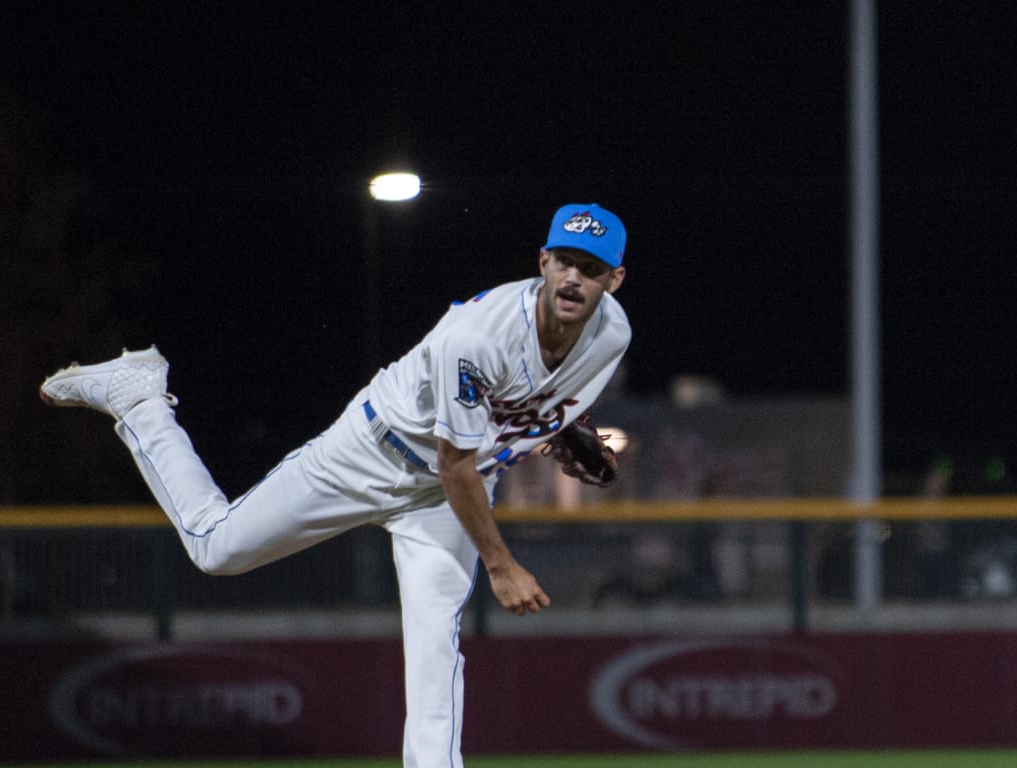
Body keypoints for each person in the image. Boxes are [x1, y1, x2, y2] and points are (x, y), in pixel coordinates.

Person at [39, 203, 630, 767]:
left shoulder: (612, 335)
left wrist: (555, 428)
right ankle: (139, 399)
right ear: (543, 262)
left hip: (444, 498)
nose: (575, 277)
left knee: (435, 650)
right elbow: (456, 463)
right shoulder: (476, 336)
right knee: (216, 549)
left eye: (592, 268)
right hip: (372, 453)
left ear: (615, 279)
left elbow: (525, 405)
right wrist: (500, 565)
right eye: (566, 261)